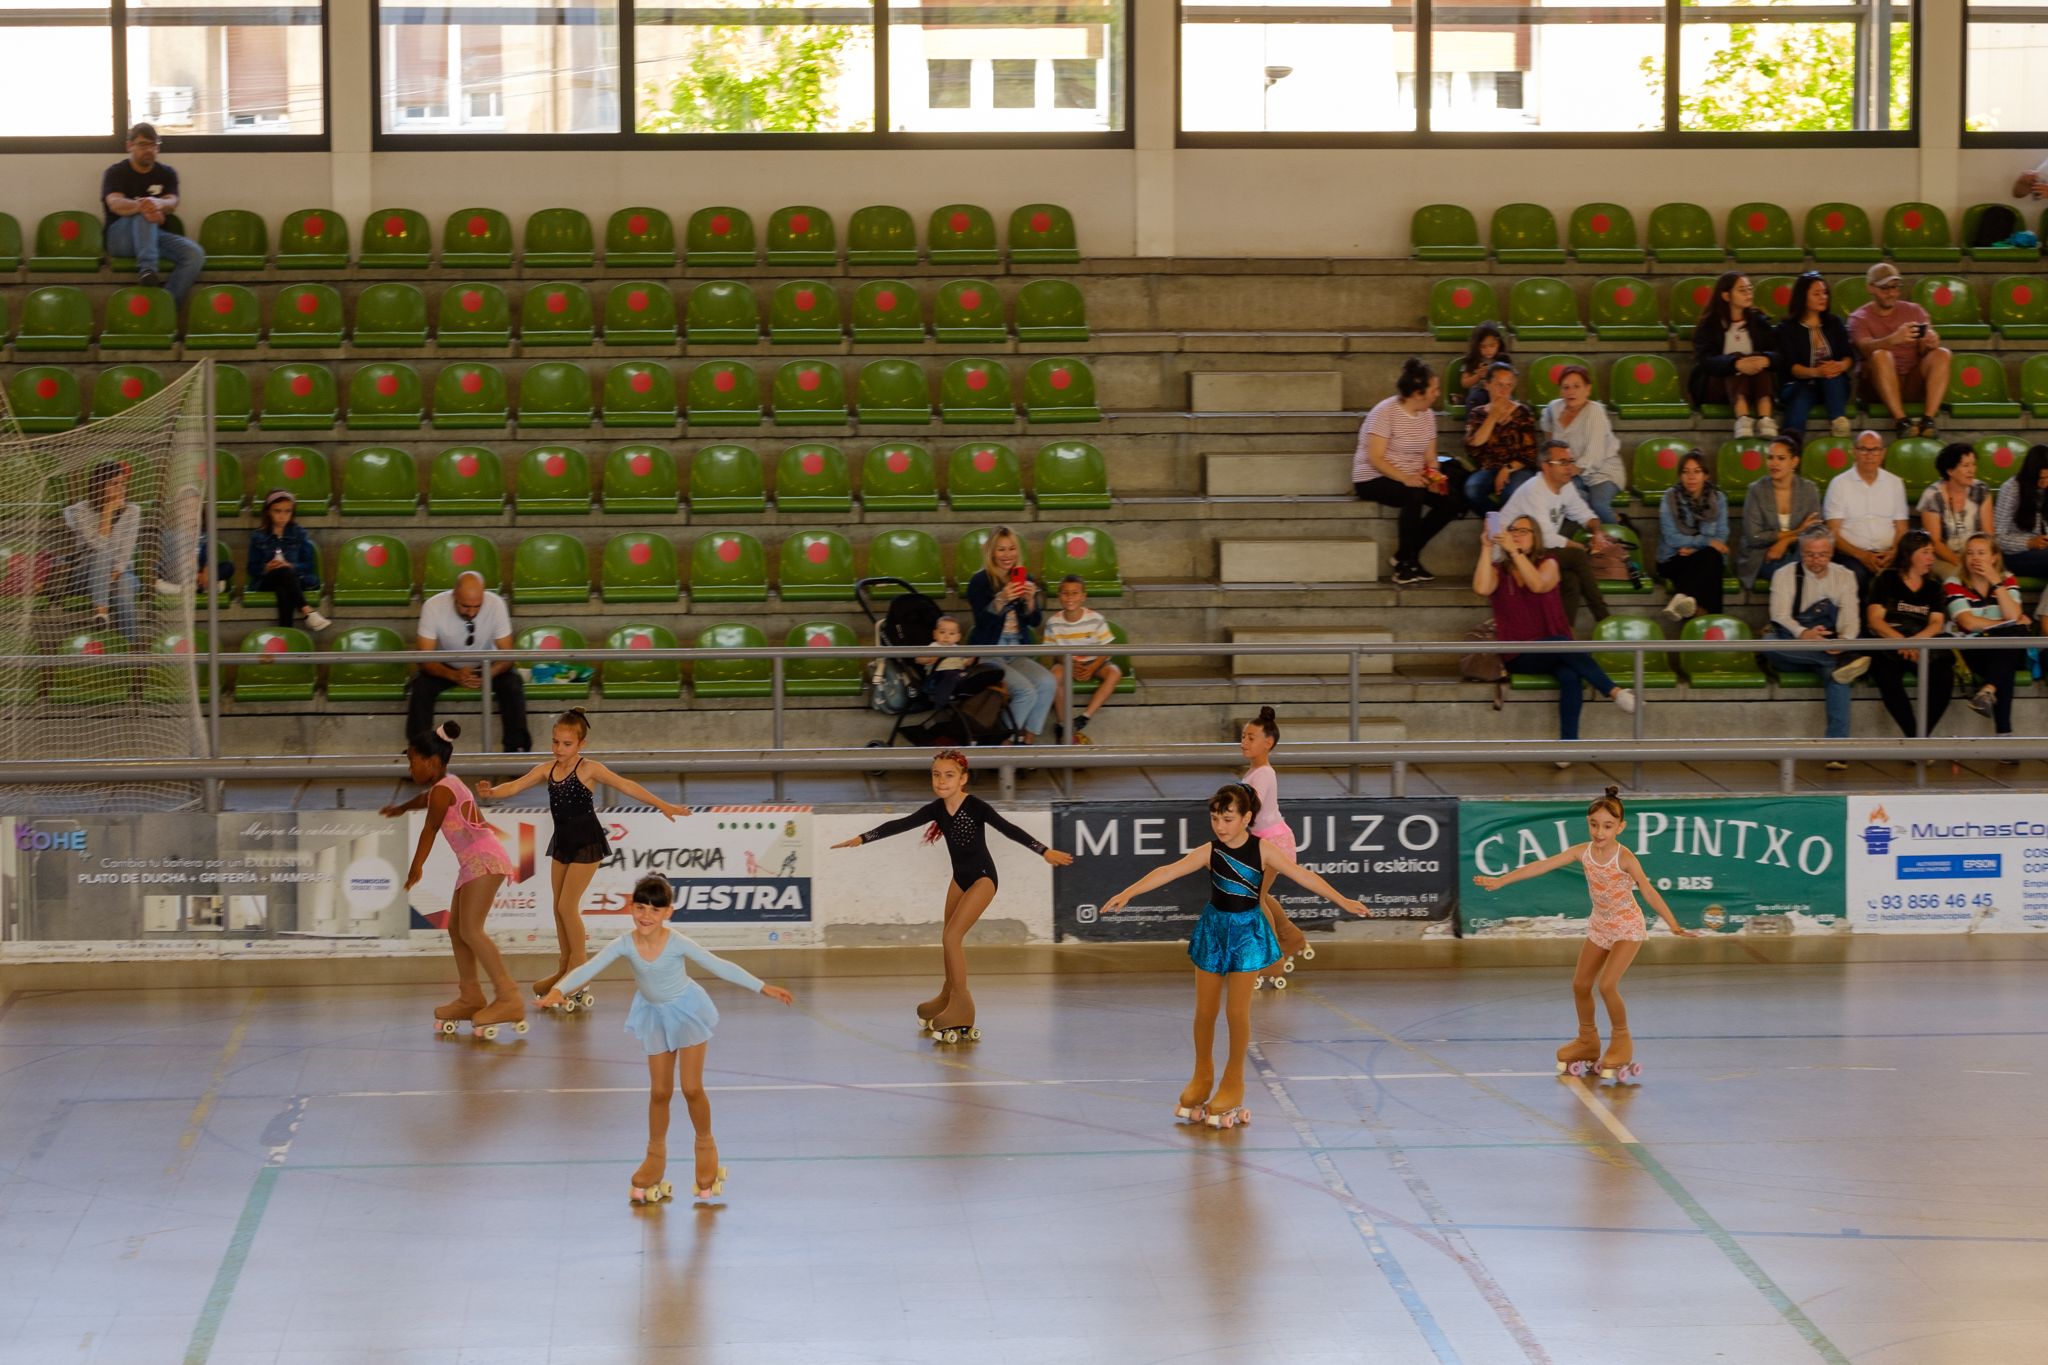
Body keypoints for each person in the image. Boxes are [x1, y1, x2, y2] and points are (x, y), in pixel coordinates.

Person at [1099, 782, 1370, 1129]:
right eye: (1215, 818)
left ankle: (1233, 1080)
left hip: (1247, 934)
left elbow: (1304, 875)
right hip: (1214, 930)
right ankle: (1202, 1075)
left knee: (1236, 1011)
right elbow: (1168, 870)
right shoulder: (1210, 851)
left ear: (1246, 818)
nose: (1220, 826)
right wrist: (1129, 892)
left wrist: (1343, 901)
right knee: (1205, 1011)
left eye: (1227, 818)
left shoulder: (1264, 851)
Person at [542, 875, 794, 1204]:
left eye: (655, 910)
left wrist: (763, 987)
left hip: (687, 1012)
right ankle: (654, 1156)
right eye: (641, 908)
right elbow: (590, 967)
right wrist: (559, 990)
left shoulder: (677, 942)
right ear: (631, 907)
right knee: (660, 1092)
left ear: (668, 913)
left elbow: (719, 966)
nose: (647, 916)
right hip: (653, 1016)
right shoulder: (624, 943)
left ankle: (705, 1145)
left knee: (691, 1088)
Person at [832, 750, 1072, 1042]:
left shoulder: (976, 807)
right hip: (960, 880)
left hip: (983, 879)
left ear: (963, 779)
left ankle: (962, 1005)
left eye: (949, 775)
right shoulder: (936, 809)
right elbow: (900, 824)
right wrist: (862, 839)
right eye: (936, 774)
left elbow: (1010, 830)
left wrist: (1044, 851)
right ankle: (948, 995)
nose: (941, 780)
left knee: (951, 938)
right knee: (947, 937)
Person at [1470, 787, 1698, 1083]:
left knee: (1607, 985)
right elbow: (1542, 865)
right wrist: (1501, 881)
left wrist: (1673, 923)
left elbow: (1648, 890)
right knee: (1580, 984)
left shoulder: (1624, 858)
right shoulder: (1583, 852)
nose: (1599, 832)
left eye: (1607, 826)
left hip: (1627, 927)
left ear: (1620, 827)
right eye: (1594, 825)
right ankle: (1587, 1040)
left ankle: (1622, 1041)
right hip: (1601, 925)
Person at [477, 708, 691, 1009]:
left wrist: (663, 804)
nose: (559, 749)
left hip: (587, 843)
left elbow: (626, 785)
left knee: (567, 906)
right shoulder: (547, 769)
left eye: (566, 744)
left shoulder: (589, 769)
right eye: (555, 742)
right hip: (563, 843)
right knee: (557, 908)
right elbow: (515, 785)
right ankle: (564, 968)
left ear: (581, 745)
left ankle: (580, 971)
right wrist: (493, 792)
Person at [381, 722, 524, 1038]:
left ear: (431, 762)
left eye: (413, 760)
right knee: (458, 931)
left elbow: (430, 828)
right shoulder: (445, 785)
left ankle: (509, 996)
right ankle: (471, 996)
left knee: (471, 930)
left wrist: (416, 867)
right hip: (474, 862)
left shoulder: (443, 790)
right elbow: (423, 801)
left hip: (484, 859)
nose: (410, 766)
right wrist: (399, 809)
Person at [1474, 514, 1635, 758]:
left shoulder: (1549, 563)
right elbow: (1481, 588)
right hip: (1520, 653)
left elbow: (1538, 584)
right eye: (1513, 530)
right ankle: (1614, 691)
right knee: (1562, 644)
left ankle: (1567, 747)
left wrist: (1516, 554)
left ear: (1536, 538)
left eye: (1524, 531)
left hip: (1553, 648)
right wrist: (1487, 547)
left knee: (1571, 676)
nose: (1516, 534)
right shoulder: (1500, 571)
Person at [1354, 357, 1466, 585]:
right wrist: (1406, 478)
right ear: (1417, 393)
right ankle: (1406, 565)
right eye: (1434, 389)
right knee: (1412, 495)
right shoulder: (1385, 412)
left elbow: (1430, 457)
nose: (1437, 393)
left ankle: (1406, 555)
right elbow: (1375, 458)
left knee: (1452, 501)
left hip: (1413, 475)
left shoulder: (1427, 415)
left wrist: (1434, 477)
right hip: (1375, 476)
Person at [1766, 529, 1871, 768]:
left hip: (1830, 641)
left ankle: (1836, 750)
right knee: (1768, 645)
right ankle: (1840, 662)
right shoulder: (1784, 574)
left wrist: (1841, 641)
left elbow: (1850, 617)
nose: (1816, 560)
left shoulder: (1845, 575)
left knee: (1837, 678)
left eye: (1822, 555)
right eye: (1810, 555)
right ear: (1801, 553)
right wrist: (1804, 634)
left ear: (1831, 553)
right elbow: (1779, 615)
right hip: (1792, 642)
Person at [1497, 438, 1614, 629]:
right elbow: (1547, 538)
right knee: (1576, 556)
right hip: (1509, 555)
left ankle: (1563, 635)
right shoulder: (1534, 490)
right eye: (1563, 462)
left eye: (1570, 461)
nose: (1569, 467)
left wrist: (1597, 534)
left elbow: (1585, 514)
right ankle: (1604, 619)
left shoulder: (1566, 486)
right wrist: (1584, 548)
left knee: (1571, 581)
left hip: (1534, 551)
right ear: (1545, 466)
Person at [410, 569, 531, 752]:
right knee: (420, 686)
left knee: (513, 684)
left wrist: (488, 674)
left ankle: (517, 749)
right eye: (466, 607)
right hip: (446, 666)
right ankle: (419, 752)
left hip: (486, 664)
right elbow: (424, 658)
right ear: (454, 596)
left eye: (477, 606)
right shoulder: (433, 606)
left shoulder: (495, 604)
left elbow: (508, 654)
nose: (472, 613)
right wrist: (453, 675)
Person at [1238, 706, 1311, 987]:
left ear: (1267, 743)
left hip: (1273, 842)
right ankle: (1290, 937)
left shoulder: (1264, 774)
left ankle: (1272, 962)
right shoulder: (1255, 772)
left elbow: (1250, 809)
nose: (1244, 742)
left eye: (1251, 737)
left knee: (1254, 899)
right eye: (1243, 737)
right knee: (1259, 895)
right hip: (1265, 840)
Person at [964, 526, 1055, 745]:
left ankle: (1027, 742)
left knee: (1048, 682)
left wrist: (1031, 601)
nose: (1008, 555)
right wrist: (1001, 600)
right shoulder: (979, 582)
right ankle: (1001, 744)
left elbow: (1034, 622)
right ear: (991, 553)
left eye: (1012, 549)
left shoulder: (1025, 578)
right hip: (990, 651)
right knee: (1026, 692)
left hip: (1017, 649)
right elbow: (982, 624)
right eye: (1001, 550)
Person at [1946, 533, 2034, 752]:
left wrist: (1996, 582)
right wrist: (2004, 622)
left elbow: (2012, 614)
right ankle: (2004, 735)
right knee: (2013, 642)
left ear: (1994, 557)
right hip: (1974, 649)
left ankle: (1987, 691)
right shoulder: (1954, 582)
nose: (1975, 558)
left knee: (2010, 645)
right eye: (1970, 553)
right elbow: (1967, 622)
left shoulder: (2007, 579)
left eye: (1981, 553)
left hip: (2002, 647)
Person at [1865, 531, 1954, 741]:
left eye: (1932, 553)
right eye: (1925, 553)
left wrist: (1916, 643)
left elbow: (1936, 623)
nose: (1931, 558)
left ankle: (1919, 737)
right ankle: (1915, 737)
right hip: (1891, 640)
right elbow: (1875, 620)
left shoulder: (1934, 587)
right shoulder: (1886, 579)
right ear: (1909, 555)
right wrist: (1902, 642)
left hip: (1922, 641)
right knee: (1886, 676)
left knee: (1944, 676)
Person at [100, 123, 204, 303]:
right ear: (129, 146)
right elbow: (114, 203)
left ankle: (166, 305)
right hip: (120, 238)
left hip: (153, 235)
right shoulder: (115, 172)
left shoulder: (167, 173)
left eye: (153, 145)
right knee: (141, 216)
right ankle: (148, 269)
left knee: (195, 255)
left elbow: (172, 202)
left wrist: (157, 203)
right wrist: (144, 206)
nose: (149, 149)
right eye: (143, 145)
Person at [1847, 262, 1952, 439]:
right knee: (1881, 355)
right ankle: (1901, 421)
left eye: (1895, 287)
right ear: (1870, 288)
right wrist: (1892, 340)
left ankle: (1928, 420)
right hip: (1876, 387)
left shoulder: (1914, 311)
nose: (1891, 293)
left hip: (1911, 381)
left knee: (1942, 353)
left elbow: (1924, 349)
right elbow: (1864, 349)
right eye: (1885, 288)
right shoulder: (1858, 318)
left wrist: (1929, 342)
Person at [1689, 272, 1781, 438]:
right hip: (1718, 388)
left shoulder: (1759, 322)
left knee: (1756, 357)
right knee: (1737, 359)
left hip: (1754, 385)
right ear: (1726, 295)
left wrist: (1766, 359)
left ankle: (1765, 418)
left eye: (1749, 289)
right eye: (1742, 290)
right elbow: (1705, 361)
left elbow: (1779, 354)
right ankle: (1743, 418)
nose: (1748, 294)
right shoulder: (1709, 325)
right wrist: (1735, 363)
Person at [62, 460, 143, 646]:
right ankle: (102, 611)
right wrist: (107, 512)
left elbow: (126, 552)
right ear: (100, 485)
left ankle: (130, 651)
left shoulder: (132, 511)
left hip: (121, 572)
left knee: (124, 588)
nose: (120, 488)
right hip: (84, 574)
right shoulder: (80, 511)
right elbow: (99, 546)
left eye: (123, 483)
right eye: (114, 484)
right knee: (101, 554)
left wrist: (116, 571)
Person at [1824, 429, 1911, 597]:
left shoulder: (1895, 483)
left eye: (1875, 450)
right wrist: (1862, 556)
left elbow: (1901, 528)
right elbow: (1832, 533)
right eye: (1863, 449)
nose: (1869, 455)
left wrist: (1893, 552)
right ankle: (1862, 623)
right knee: (1858, 575)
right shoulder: (1839, 484)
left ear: (1883, 453)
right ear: (1854, 452)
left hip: (1888, 553)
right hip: (1851, 555)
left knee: (1907, 573)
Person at [1539, 364, 1625, 526]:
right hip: (1572, 471)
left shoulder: (1596, 412)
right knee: (1563, 496)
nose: (1571, 391)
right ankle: (1591, 537)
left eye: (1577, 386)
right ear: (1560, 390)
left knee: (1597, 504)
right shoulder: (1554, 408)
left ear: (1588, 389)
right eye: (1566, 387)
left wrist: (1563, 472)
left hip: (1602, 472)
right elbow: (1547, 431)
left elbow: (1595, 456)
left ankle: (1619, 532)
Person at [1042, 575, 1122, 742]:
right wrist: (1069, 663)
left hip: (1095, 661)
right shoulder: (1053, 622)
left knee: (1115, 672)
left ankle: (1084, 717)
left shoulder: (1095, 618)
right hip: (1066, 661)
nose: (1070, 597)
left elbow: (1107, 648)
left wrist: (1093, 667)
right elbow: (1052, 650)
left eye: (1075, 593)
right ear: (1059, 596)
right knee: (1054, 676)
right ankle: (1063, 724)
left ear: (1083, 596)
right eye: (1065, 593)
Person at [1776, 271, 1856, 438]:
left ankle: (1839, 424)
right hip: (1798, 384)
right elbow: (1791, 367)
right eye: (1817, 294)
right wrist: (1817, 372)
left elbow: (1849, 357)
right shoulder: (1787, 328)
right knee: (1801, 397)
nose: (1823, 297)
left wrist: (1839, 366)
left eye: (1825, 293)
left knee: (1832, 376)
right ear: (1803, 297)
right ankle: (1790, 446)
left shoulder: (1834, 323)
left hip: (1833, 385)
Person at [1738, 435, 1822, 591]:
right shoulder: (1756, 490)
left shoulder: (1809, 490)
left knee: (1801, 563)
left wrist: (1787, 541)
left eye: (1781, 458)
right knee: (1795, 572)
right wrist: (1797, 531)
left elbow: (1817, 531)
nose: (1774, 463)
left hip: (1798, 552)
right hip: (1764, 555)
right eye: (1770, 457)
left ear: (1794, 462)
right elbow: (1754, 536)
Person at [1656, 450, 1731, 617]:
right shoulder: (1669, 498)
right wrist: (1705, 543)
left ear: (1706, 475)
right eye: (1685, 472)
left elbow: (1721, 534)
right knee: (1711, 560)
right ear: (1680, 475)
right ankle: (1709, 619)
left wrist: (1698, 549)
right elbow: (1671, 537)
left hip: (1704, 558)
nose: (1691, 477)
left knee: (1711, 558)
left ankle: (1686, 601)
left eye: (1697, 471)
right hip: (1674, 558)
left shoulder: (1718, 499)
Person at [1463, 361, 1541, 514]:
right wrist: (1493, 416)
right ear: (1487, 385)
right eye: (1499, 385)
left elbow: (1530, 454)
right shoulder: (1477, 413)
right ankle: (1498, 526)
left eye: (1509, 386)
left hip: (1518, 467)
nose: (1504, 391)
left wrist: (1506, 470)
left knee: (1511, 493)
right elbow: (1473, 447)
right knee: (1471, 490)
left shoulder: (1522, 412)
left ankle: (1505, 529)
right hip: (1489, 468)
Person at [246, 490, 330, 633]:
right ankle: (307, 611)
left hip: (293, 580)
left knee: (283, 587)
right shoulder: (258, 536)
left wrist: (291, 565)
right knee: (282, 572)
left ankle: (285, 632)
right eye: (277, 511)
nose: (282, 516)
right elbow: (251, 568)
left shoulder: (299, 533)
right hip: (267, 580)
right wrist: (266, 568)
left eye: (287, 511)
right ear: (268, 512)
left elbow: (309, 564)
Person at [1917, 443, 1995, 578]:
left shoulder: (1981, 490)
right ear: (1950, 471)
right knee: (1961, 577)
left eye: (1973, 464)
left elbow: (1988, 532)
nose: (1972, 470)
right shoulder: (1932, 496)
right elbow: (1935, 542)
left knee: (2000, 577)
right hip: (1945, 558)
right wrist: (1962, 562)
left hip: (1977, 555)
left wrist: (1984, 559)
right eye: (1966, 466)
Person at [154, 486, 230, 599]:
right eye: (187, 508)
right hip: (177, 574)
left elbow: (210, 559)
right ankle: (199, 587)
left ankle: (198, 585)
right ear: (177, 510)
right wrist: (186, 561)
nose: (192, 513)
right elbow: (165, 564)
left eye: (196, 509)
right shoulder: (168, 535)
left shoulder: (205, 535)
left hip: (200, 573)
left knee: (228, 567)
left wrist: (204, 569)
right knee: (160, 583)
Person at [1993, 443, 2048, 581]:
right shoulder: (2012, 489)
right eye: (2041, 478)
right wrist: (2029, 542)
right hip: (2015, 554)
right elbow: (1997, 538)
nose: (2045, 483)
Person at [1457, 321, 1511, 411]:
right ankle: (1473, 424)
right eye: (1483, 347)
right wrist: (1478, 376)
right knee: (1475, 399)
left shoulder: (1503, 360)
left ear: (1498, 344)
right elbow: (1464, 383)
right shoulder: (1472, 360)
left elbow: (1512, 380)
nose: (1488, 350)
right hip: (1478, 392)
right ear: (1476, 346)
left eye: (1492, 346)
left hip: (1499, 392)